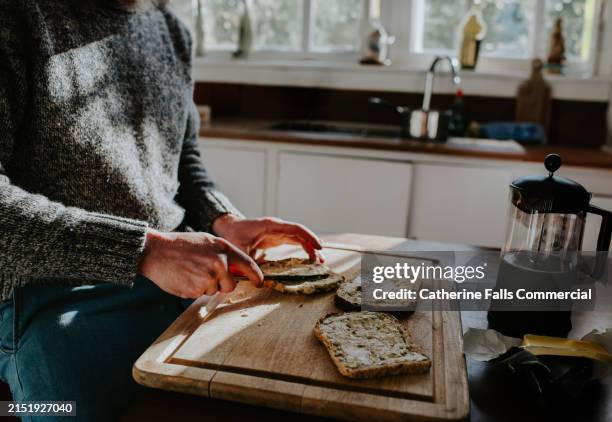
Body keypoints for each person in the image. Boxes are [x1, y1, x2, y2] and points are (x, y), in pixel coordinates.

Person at [0, 0, 322, 420]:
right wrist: (144, 250)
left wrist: (223, 220)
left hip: (180, 290)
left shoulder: (170, 29)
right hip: (54, 301)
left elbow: (183, 160)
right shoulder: (17, 18)